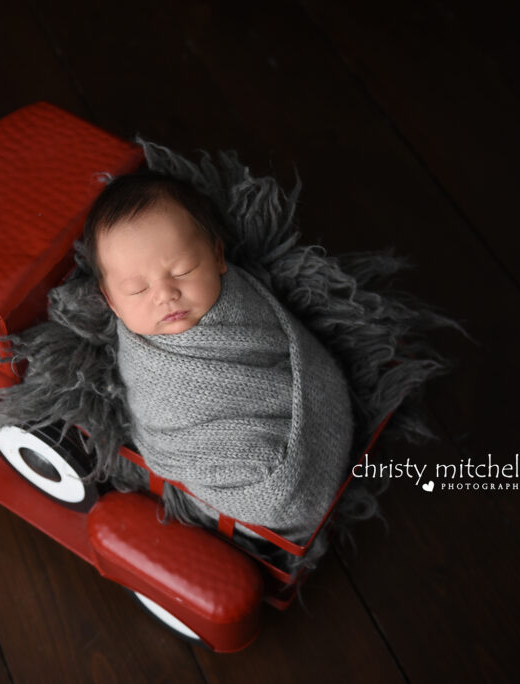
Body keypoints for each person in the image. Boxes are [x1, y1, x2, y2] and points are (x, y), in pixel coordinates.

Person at [81, 171, 355, 542]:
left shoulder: (238, 301)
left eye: (183, 270)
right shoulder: (147, 364)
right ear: (112, 301)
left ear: (217, 256)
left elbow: (279, 350)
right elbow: (156, 418)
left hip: (302, 416)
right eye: (137, 289)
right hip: (244, 477)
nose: (165, 295)